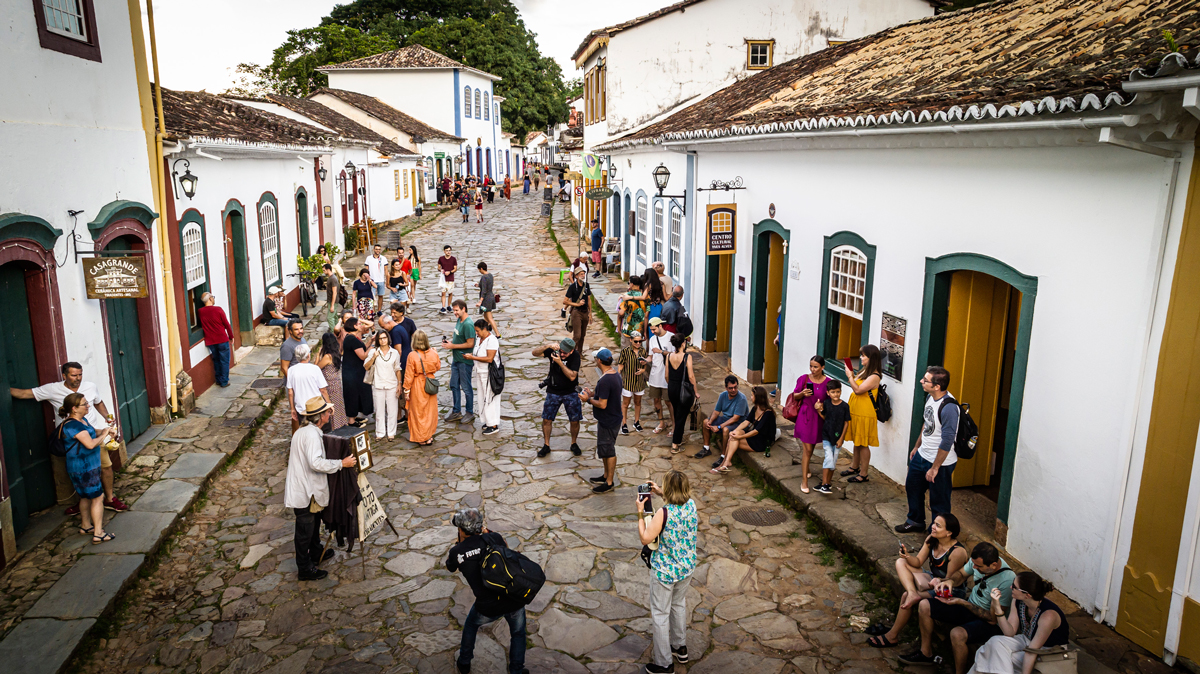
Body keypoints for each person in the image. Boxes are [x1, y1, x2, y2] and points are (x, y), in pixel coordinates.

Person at [11, 362, 127, 514]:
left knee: (106, 467)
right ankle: (83, 504)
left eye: (80, 374)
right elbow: (24, 394)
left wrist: (107, 417)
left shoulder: (90, 387)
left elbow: (98, 402)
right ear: (64, 375)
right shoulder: (53, 389)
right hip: (72, 442)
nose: (78, 378)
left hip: (93, 434)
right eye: (73, 375)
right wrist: (5, 389)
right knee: (79, 473)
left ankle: (110, 499)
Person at [898, 542, 1015, 670]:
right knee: (925, 605)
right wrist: (950, 581)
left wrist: (962, 602)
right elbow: (961, 574)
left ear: (993, 565)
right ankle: (926, 653)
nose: (974, 567)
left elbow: (993, 619)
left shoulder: (1007, 580)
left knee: (957, 634)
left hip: (989, 621)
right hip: (969, 606)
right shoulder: (980, 560)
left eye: (978, 566)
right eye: (973, 563)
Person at [447, 508, 529, 674]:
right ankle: (517, 670)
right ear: (480, 527)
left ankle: (464, 663)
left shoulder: (457, 552)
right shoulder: (494, 537)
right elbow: (506, 549)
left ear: (461, 530)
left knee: (470, 625)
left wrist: (461, 544)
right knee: (518, 633)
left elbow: (450, 567)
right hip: (512, 597)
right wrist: (486, 533)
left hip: (487, 605)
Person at [869, 513, 968, 649]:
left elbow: (950, 581)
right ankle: (912, 592)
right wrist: (907, 556)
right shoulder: (932, 539)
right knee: (901, 562)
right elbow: (918, 562)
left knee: (905, 597)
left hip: (950, 590)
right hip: (933, 580)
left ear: (949, 533)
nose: (933, 527)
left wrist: (938, 581)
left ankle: (892, 636)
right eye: (934, 523)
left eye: (938, 526)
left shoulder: (957, 552)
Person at [284, 396, 357, 581]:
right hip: (305, 490)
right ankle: (305, 568)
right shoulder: (310, 435)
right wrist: (342, 463)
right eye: (327, 412)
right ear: (321, 416)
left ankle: (316, 552)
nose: (329, 414)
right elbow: (316, 463)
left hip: (308, 488)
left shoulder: (306, 431)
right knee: (305, 530)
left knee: (314, 522)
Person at [638, 470, 697, 673]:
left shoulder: (663, 513)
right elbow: (676, 499)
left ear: (669, 490)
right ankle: (680, 647)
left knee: (660, 614)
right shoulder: (691, 504)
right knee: (678, 605)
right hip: (686, 568)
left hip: (665, 572)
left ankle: (664, 664)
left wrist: (640, 511)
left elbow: (646, 538)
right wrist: (660, 492)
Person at [897, 365, 959, 533]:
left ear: (937, 386)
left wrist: (935, 467)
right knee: (913, 486)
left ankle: (939, 534)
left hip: (941, 462)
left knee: (939, 501)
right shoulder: (930, 398)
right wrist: (917, 446)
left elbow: (947, 441)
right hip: (922, 455)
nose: (921, 381)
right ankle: (915, 521)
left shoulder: (949, 408)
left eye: (925, 380)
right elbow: (927, 423)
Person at [970, 572, 1068, 674]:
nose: (1010, 587)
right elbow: (1010, 632)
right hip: (1026, 639)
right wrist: (997, 607)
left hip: (1047, 650)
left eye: (1014, 587)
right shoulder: (1017, 601)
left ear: (1027, 595)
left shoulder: (1048, 616)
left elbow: (1032, 651)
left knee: (994, 656)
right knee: (994, 642)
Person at [59, 393, 117, 544]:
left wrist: (104, 430)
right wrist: (104, 435)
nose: (88, 406)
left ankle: (86, 525)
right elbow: (90, 444)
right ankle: (98, 533)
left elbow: (91, 433)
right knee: (98, 497)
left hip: (88, 465)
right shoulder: (72, 425)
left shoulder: (82, 420)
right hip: (83, 468)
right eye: (84, 404)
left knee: (84, 496)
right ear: (74, 408)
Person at [580, 348, 623, 493]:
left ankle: (609, 482)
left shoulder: (605, 380)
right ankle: (605, 475)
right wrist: (593, 393)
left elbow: (602, 404)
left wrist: (588, 399)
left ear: (599, 360)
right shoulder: (615, 374)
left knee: (609, 450)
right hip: (613, 417)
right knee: (604, 449)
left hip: (609, 420)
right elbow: (607, 395)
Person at [533, 338, 582, 457]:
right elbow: (534, 353)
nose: (562, 354)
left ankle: (573, 443)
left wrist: (560, 362)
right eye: (561, 351)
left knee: (574, 420)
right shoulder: (554, 352)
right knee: (546, 419)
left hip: (570, 391)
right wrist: (547, 346)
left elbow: (572, 377)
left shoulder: (575, 356)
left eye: (565, 353)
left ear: (571, 351)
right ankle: (546, 445)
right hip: (553, 390)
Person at [842, 344, 883, 483]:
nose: (860, 358)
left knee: (863, 443)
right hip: (856, 410)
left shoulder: (874, 376)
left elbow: (858, 390)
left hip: (865, 413)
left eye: (863, 355)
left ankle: (864, 473)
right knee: (857, 440)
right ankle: (854, 466)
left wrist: (849, 376)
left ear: (871, 358)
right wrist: (852, 375)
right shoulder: (865, 371)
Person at [711, 386, 776, 473]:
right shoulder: (755, 408)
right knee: (735, 434)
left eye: (752, 395)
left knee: (734, 438)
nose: (751, 397)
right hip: (754, 436)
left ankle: (724, 463)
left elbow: (755, 432)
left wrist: (739, 437)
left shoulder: (768, 414)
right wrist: (734, 432)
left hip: (761, 441)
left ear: (758, 397)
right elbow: (746, 422)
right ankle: (726, 463)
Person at [791, 356, 830, 493]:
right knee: (807, 449)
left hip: (818, 417)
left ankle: (806, 468)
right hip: (805, 416)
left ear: (822, 367)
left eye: (815, 367)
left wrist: (822, 407)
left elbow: (832, 400)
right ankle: (804, 481)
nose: (812, 369)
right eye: (811, 366)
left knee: (812, 446)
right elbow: (794, 396)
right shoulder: (804, 379)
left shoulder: (828, 382)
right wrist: (802, 393)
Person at [696, 375, 747, 460]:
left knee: (725, 430)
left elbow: (735, 418)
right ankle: (706, 448)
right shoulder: (723, 395)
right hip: (725, 419)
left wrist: (719, 426)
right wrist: (710, 421)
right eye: (731, 388)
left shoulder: (742, 399)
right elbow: (716, 411)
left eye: (735, 387)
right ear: (726, 388)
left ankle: (723, 456)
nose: (734, 390)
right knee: (705, 422)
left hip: (738, 424)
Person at [364, 331, 403, 441]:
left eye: (384, 338)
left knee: (392, 410)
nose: (383, 340)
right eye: (380, 338)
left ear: (388, 339)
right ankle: (380, 432)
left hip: (391, 384)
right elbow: (366, 367)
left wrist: (399, 384)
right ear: (378, 340)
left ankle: (391, 432)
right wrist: (373, 358)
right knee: (379, 411)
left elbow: (397, 369)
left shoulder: (394, 353)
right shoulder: (373, 352)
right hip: (378, 384)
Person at [404, 330, 442, 446]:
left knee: (418, 412)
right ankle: (429, 436)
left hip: (417, 385)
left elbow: (409, 374)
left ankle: (421, 437)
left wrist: (406, 390)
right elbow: (437, 367)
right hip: (430, 383)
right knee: (430, 411)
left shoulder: (412, 355)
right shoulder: (433, 353)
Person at [813, 380, 851, 494]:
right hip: (827, 436)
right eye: (833, 392)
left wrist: (841, 438)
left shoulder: (845, 406)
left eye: (838, 392)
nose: (836, 394)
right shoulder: (827, 403)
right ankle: (824, 484)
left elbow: (846, 423)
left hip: (838, 438)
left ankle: (827, 484)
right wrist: (818, 410)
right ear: (828, 393)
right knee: (828, 458)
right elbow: (825, 417)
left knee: (833, 462)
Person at [442, 300, 476, 424]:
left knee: (466, 387)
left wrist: (453, 346)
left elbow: (470, 343)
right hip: (456, 359)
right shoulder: (459, 320)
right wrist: (451, 343)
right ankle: (456, 411)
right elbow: (459, 338)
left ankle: (469, 412)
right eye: (454, 310)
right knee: (454, 385)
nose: (454, 312)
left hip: (464, 361)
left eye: (456, 310)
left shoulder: (468, 324)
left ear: (464, 309)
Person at [465, 319, 501, 435]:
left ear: (484, 329)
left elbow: (489, 358)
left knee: (489, 398)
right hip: (480, 372)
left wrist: (473, 358)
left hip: (488, 374)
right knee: (482, 397)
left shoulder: (492, 340)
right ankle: (487, 420)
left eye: (478, 331)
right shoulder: (479, 339)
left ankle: (494, 424)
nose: (476, 333)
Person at [285, 343, 330, 434]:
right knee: (324, 431)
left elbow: (290, 392)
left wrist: (292, 409)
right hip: (317, 407)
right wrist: (329, 404)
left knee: (306, 432)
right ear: (308, 355)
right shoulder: (315, 369)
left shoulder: (291, 370)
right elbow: (323, 390)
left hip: (302, 408)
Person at [665, 333, 697, 453]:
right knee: (681, 416)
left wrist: (671, 385)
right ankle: (675, 443)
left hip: (672, 387)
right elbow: (691, 376)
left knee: (677, 411)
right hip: (683, 388)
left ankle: (678, 437)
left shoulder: (668, 356)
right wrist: (695, 391)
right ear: (683, 343)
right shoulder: (687, 357)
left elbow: (666, 375)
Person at [340, 317, 373, 428]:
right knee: (352, 395)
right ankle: (351, 421)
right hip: (352, 374)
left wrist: (371, 341)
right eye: (359, 323)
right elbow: (363, 355)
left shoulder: (353, 338)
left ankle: (354, 416)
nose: (361, 325)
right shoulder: (352, 339)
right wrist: (372, 348)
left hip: (354, 372)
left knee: (356, 394)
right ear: (354, 326)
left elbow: (362, 348)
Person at [197, 292, 234, 387]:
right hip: (221, 339)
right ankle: (224, 381)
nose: (213, 299)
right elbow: (226, 324)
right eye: (212, 297)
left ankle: (218, 379)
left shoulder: (200, 311)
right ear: (210, 299)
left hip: (210, 341)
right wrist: (231, 336)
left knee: (216, 360)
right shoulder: (218, 309)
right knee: (224, 361)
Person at [645, 318, 675, 435]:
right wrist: (644, 361)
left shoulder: (671, 337)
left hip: (667, 375)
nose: (652, 331)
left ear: (660, 326)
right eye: (651, 329)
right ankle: (661, 422)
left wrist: (661, 351)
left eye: (654, 329)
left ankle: (674, 425)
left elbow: (675, 355)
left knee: (669, 402)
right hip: (655, 375)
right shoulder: (652, 339)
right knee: (656, 400)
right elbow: (650, 357)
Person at [617, 331, 648, 435]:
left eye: (640, 341)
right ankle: (624, 424)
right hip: (627, 382)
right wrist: (617, 379)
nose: (638, 343)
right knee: (625, 404)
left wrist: (643, 369)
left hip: (639, 382)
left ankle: (636, 421)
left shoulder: (643, 351)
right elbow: (620, 366)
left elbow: (645, 366)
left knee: (638, 402)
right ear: (631, 340)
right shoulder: (625, 352)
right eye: (636, 341)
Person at [317, 332, 349, 431]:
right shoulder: (337, 353)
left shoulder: (327, 357)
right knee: (339, 406)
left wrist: (318, 355)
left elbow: (316, 368)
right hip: (337, 384)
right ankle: (341, 425)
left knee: (331, 408)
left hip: (329, 385)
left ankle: (334, 428)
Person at [564, 268, 591, 353]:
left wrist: (590, 313)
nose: (583, 276)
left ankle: (579, 353)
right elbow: (565, 301)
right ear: (576, 276)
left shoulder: (586, 285)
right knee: (577, 336)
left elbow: (589, 299)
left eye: (584, 274)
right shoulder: (572, 287)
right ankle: (571, 353)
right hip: (576, 312)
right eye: (581, 274)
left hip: (585, 312)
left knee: (583, 335)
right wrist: (577, 304)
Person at [476, 262, 500, 338]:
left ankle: (498, 334)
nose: (479, 271)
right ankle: (487, 332)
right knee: (486, 317)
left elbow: (484, 291)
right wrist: (479, 285)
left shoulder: (483, 277)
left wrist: (480, 301)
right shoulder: (490, 275)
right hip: (491, 297)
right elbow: (486, 286)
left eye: (479, 270)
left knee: (489, 317)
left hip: (486, 300)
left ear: (481, 269)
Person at [366, 244, 389, 313]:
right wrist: (368, 279)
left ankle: (379, 310)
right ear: (374, 250)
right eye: (376, 249)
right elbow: (366, 270)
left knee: (380, 296)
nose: (378, 250)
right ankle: (372, 311)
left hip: (381, 280)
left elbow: (386, 270)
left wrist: (387, 281)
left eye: (379, 249)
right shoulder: (369, 258)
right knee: (371, 297)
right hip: (372, 280)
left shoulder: (383, 258)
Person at [438, 245, 458, 314]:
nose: (448, 252)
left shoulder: (453, 259)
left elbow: (455, 268)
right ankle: (443, 307)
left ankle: (449, 306)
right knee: (443, 293)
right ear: (444, 251)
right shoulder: (441, 258)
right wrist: (441, 270)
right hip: (443, 278)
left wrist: (450, 272)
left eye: (449, 250)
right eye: (447, 250)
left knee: (450, 292)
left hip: (450, 278)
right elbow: (438, 267)